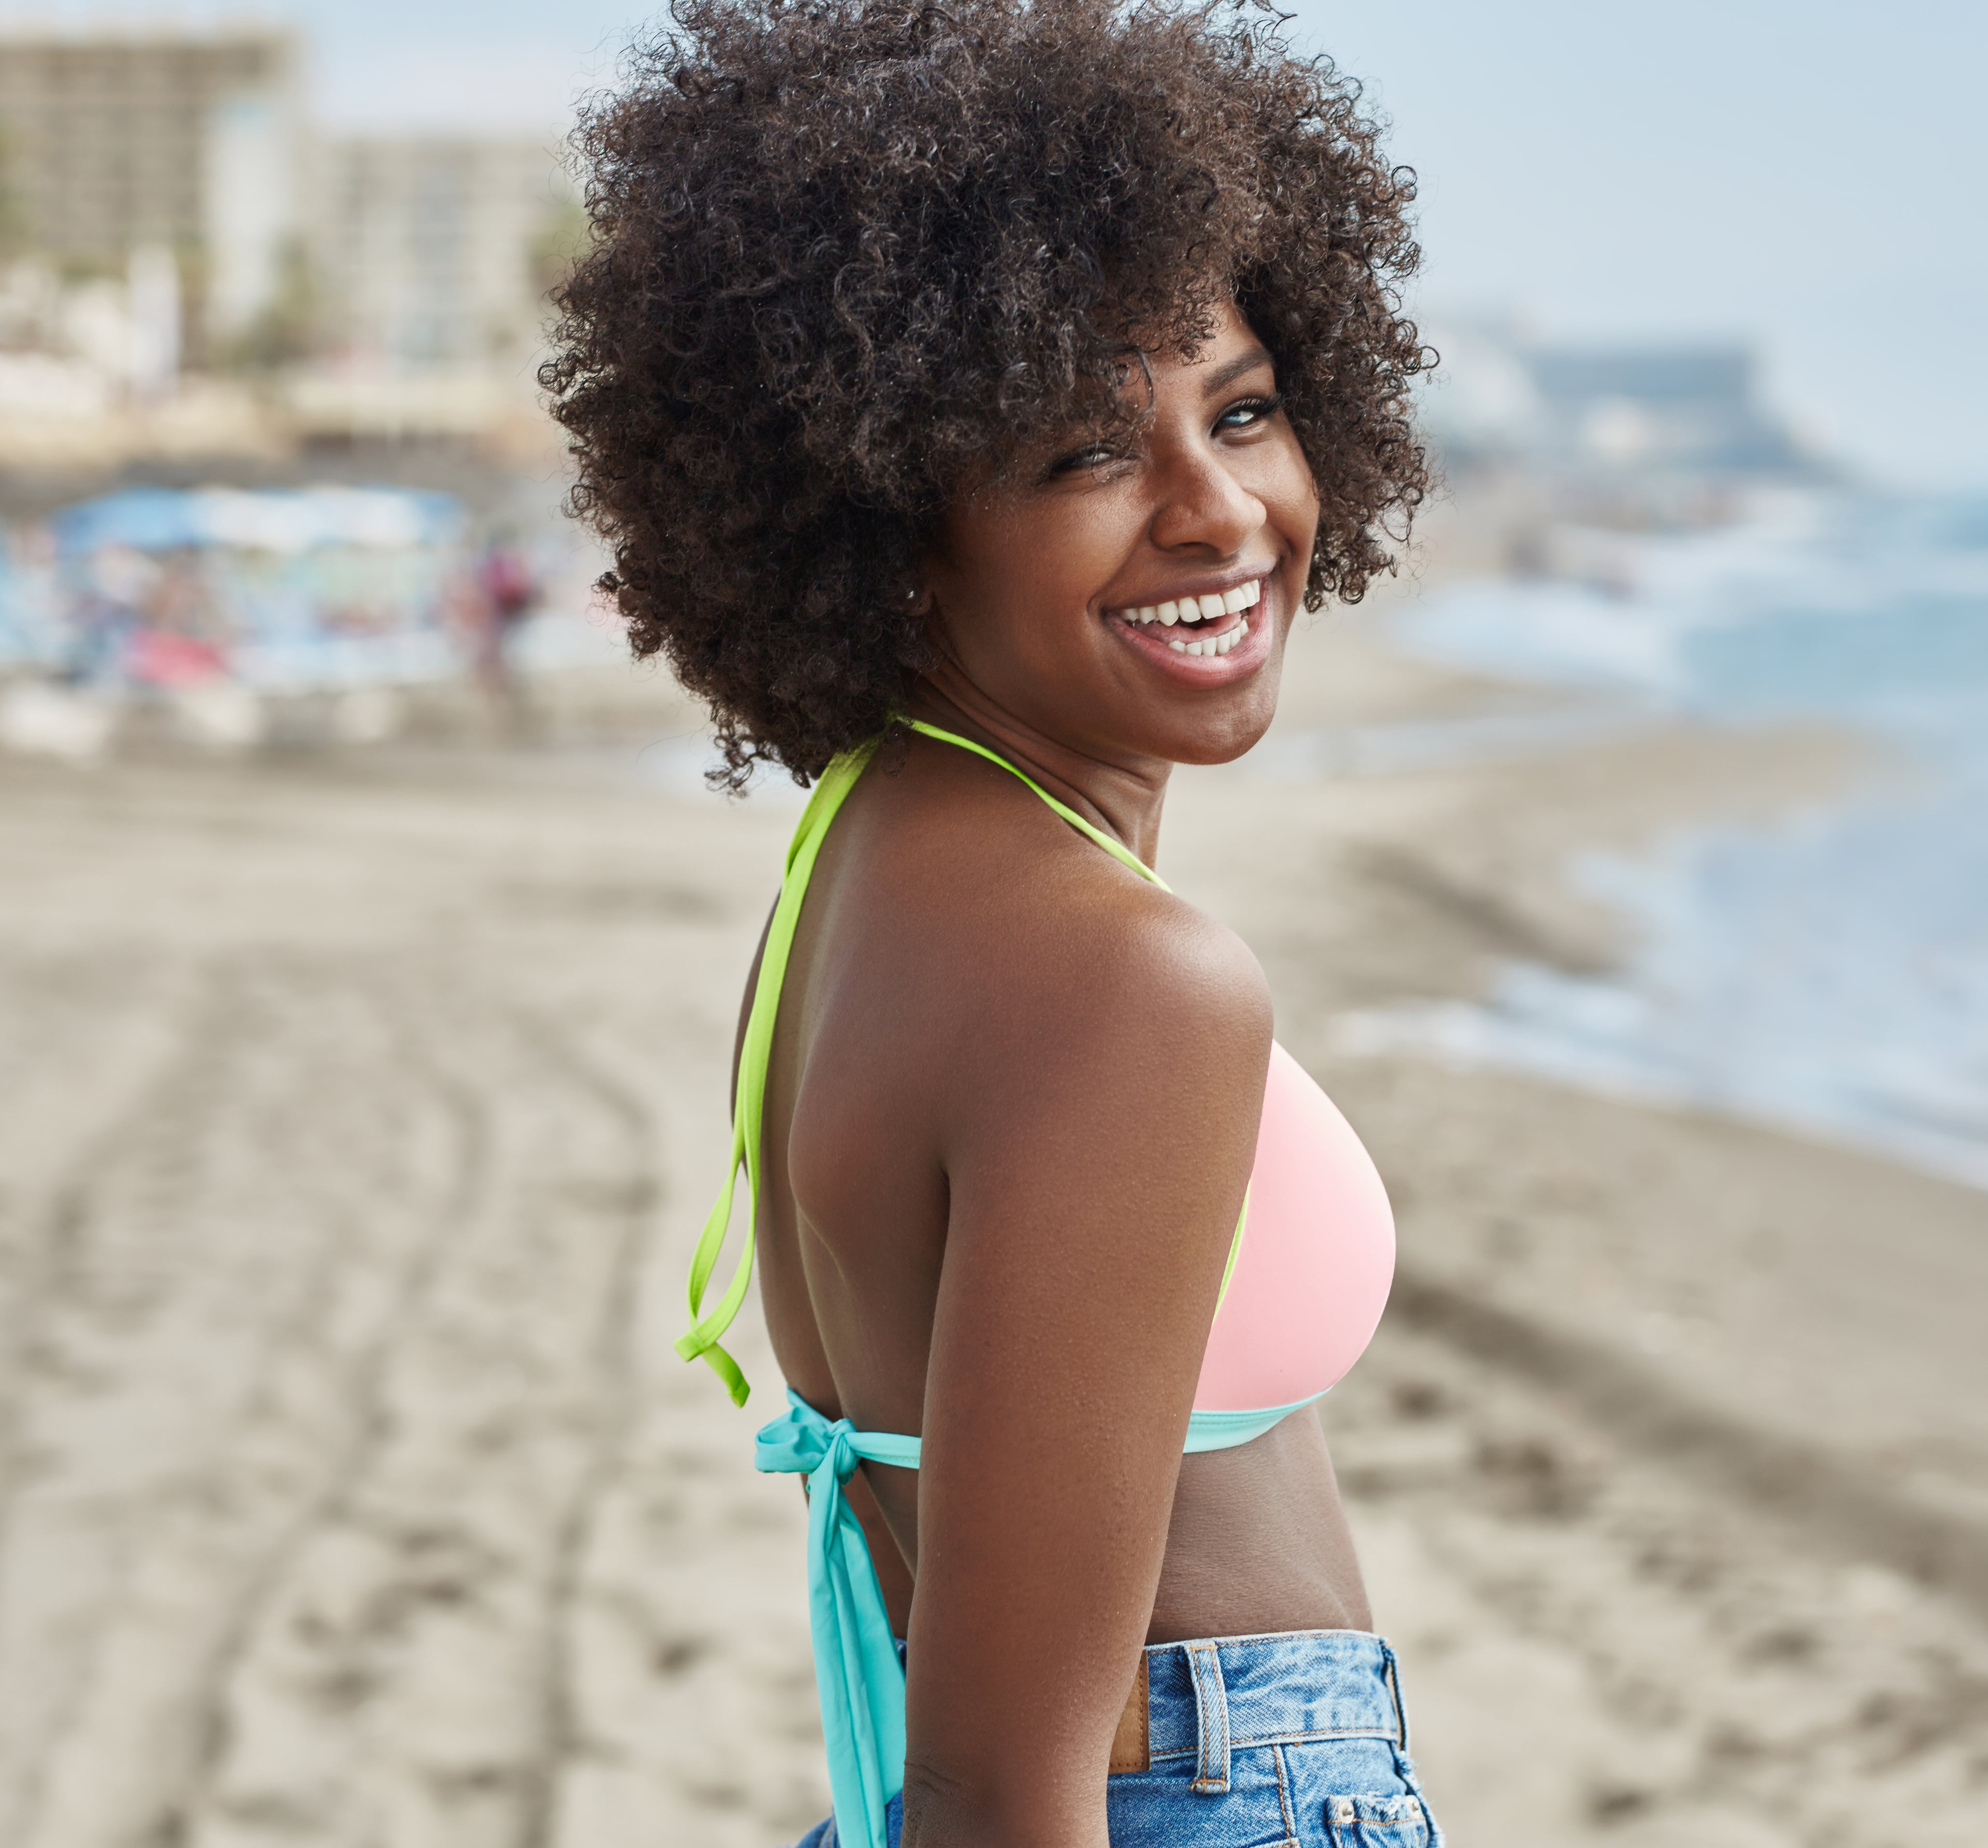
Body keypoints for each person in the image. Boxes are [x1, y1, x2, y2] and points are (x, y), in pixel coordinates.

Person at [546, 3, 1436, 1843]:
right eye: (1082, 455)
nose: (1220, 515)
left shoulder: (861, 860)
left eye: (1246, 409)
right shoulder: (1123, 981)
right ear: (889, 520)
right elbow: (1004, 1794)